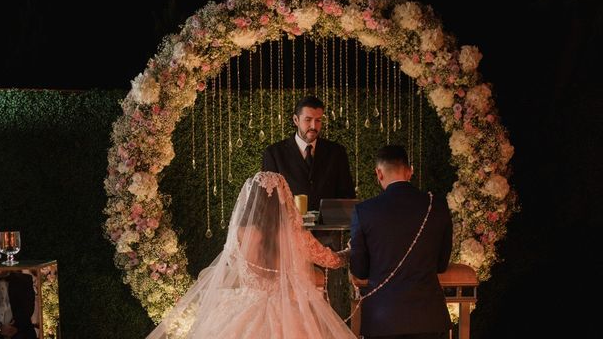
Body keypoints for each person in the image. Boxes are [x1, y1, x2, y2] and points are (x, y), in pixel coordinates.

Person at [145, 171, 357, 339]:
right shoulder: (294, 235)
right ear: (283, 201)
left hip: (244, 308)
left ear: (251, 198)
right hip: (287, 312)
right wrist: (349, 251)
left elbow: (232, 263)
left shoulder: (241, 233)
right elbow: (332, 260)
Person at [349, 145, 453, 339]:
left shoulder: (364, 211)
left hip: (382, 320)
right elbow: (441, 265)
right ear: (409, 171)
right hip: (429, 317)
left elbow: (359, 270)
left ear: (379, 173)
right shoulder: (437, 206)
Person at [261, 95, 355, 211]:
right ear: (296, 120)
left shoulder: (337, 152)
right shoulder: (273, 153)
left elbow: (347, 196)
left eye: (318, 120)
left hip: (328, 228)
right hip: (289, 228)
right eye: (308, 120)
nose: (314, 126)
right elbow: (268, 199)